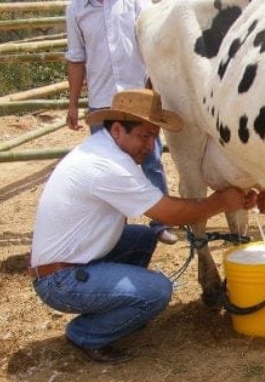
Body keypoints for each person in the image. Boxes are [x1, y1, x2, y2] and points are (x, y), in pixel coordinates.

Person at [30, 89, 257, 364]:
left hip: (69, 262)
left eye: (154, 137)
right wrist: (221, 201)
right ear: (117, 130)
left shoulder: (102, 150)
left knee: (142, 238)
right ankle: (87, 333)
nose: (150, 146)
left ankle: (120, 307)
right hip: (59, 281)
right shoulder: (107, 166)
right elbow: (170, 214)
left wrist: (216, 201)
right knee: (158, 291)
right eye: (144, 136)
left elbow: (161, 204)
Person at [64, 0, 179, 244]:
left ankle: (161, 223)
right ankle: (114, 230)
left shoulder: (136, 2)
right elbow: (76, 58)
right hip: (102, 100)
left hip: (138, 97)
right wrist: (72, 103)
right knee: (105, 169)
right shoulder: (76, 9)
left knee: (151, 160)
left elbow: (154, 40)